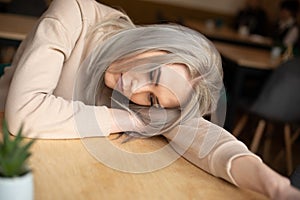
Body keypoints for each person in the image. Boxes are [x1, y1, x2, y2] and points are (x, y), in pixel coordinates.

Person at [0, 0, 299, 199]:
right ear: (157, 42)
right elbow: (24, 112)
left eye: (153, 99)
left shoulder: (147, 103)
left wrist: (275, 186)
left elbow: (207, 142)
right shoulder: (74, 13)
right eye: (153, 74)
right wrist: (126, 119)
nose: (134, 89)